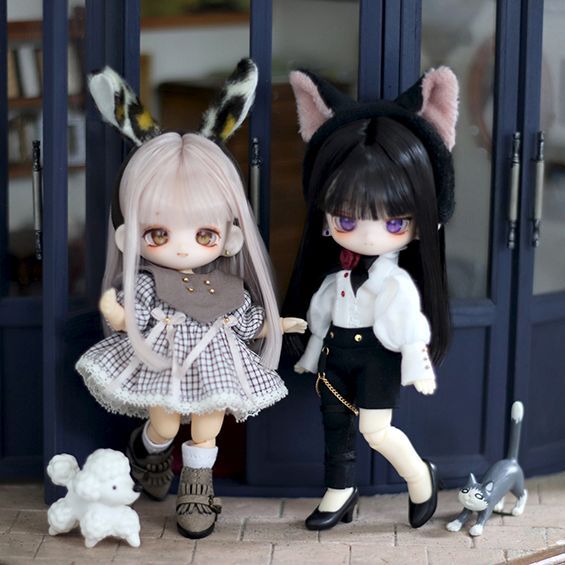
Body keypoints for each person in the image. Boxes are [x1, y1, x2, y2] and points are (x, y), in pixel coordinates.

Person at [76, 60, 306, 539]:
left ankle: (197, 489)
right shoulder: (147, 281)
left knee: (208, 425)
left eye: (203, 234)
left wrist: (277, 324)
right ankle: (148, 451)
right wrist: (116, 313)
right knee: (164, 423)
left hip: (215, 365)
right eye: (159, 233)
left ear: (228, 237)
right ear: (131, 234)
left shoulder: (228, 287)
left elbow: (245, 322)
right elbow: (131, 315)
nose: (182, 248)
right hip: (163, 362)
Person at [284, 67, 459, 530]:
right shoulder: (339, 275)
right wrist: (311, 354)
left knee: (375, 430)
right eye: (346, 219)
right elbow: (321, 312)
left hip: (377, 358)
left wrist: (417, 362)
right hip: (337, 352)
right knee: (334, 424)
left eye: (394, 222)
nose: (367, 235)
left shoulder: (394, 283)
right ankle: (339, 490)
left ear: (424, 220)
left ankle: (419, 477)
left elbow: (408, 325)